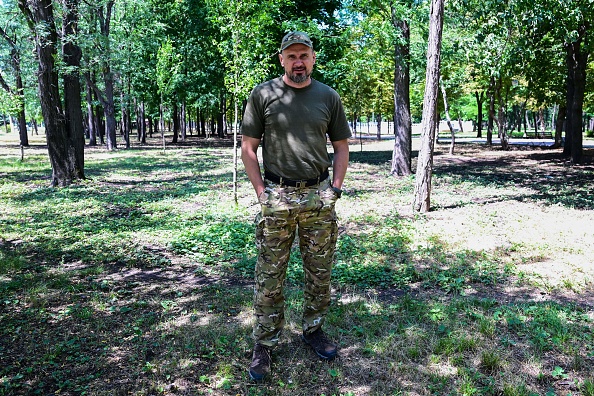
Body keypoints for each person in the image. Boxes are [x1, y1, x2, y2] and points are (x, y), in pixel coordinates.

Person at [240, 31, 352, 382]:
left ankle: (314, 329)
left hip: (318, 198)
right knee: (270, 276)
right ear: (282, 59)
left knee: (319, 272)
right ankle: (265, 343)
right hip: (277, 197)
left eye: (304, 55)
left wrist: (334, 189)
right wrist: (261, 193)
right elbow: (248, 147)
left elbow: (342, 147)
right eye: (292, 56)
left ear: (313, 58)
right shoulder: (263, 94)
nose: (298, 62)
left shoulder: (327, 96)